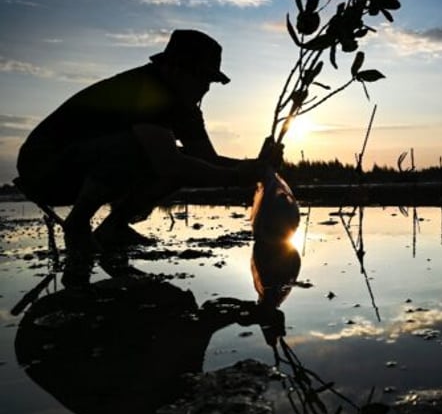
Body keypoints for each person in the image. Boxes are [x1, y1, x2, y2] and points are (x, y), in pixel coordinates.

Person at [16, 29, 277, 252]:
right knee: (146, 150)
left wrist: (256, 168)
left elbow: (206, 160)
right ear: (175, 68)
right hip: (46, 171)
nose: (206, 87)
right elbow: (168, 163)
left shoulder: (186, 105)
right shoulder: (147, 88)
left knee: (179, 161)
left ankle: (114, 228)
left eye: (210, 80)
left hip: (85, 168)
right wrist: (235, 177)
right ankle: (77, 224)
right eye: (202, 77)